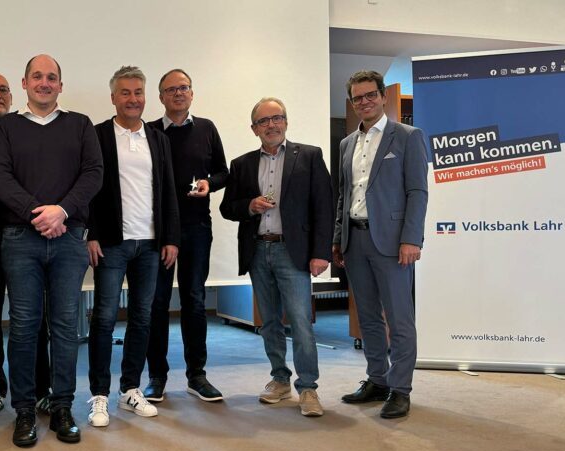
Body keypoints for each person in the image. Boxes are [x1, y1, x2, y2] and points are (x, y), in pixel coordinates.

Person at [0, 54, 103, 447]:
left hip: (69, 237)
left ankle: (63, 406)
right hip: (21, 239)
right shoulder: (6, 127)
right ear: (24, 83)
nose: (44, 82)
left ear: (60, 85)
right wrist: (38, 213)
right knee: (23, 326)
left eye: (51, 77)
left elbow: (93, 174)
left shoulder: (80, 124)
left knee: (66, 326)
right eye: (37, 76)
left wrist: (62, 211)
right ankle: (23, 410)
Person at [220, 97, 334, 417]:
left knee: (300, 321)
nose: (271, 125)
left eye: (277, 118)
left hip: (292, 251)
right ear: (254, 128)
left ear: (286, 121)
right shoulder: (242, 164)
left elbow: (324, 206)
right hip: (258, 250)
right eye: (264, 121)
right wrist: (249, 206)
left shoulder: (309, 156)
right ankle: (280, 378)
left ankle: (308, 387)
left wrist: (321, 253)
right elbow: (228, 208)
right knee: (269, 321)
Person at [86, 66, 179, 427]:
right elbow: (90, 189)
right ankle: (99, 394)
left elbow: (168, 190)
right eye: (125, 92)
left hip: (151, 244)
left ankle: (129, 389)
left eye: (138, 92)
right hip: (112, 242)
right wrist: (92, 233)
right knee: (105, 318)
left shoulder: (158, 138)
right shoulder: (97, 135)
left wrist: (170, 238)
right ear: (113, 97)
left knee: (143, 317)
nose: (132, 99)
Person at [334, 70, 428, 419]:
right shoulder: (347, 143)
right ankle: (378, 379)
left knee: (399, 319)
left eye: (370, 95)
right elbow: (344, 194)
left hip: (392, 243)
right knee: (368, 317)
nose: (364, 102)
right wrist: (337, 238)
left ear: (383, 96)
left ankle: (400, 389)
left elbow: (417, 191)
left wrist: (411, 238)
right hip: (355, 241)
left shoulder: (407, 136)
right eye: (357, 98)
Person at [0, 73, 55, 421]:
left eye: (2, 90)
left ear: (12, 94)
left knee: (35, 316)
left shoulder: (26, 130)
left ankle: (41, 389)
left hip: (25, 232)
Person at [145, 69, 229, 403]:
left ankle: (197, 375)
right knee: (157, 302)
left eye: (184, 88)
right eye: (171, 89)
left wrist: (210, 183)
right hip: (158, 229)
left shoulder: (207, 128)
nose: (178, 93)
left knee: (194, 299)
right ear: (161, 97)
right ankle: (157, 376)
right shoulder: (150, 131)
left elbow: (223, 172)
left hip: (196, 227)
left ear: (192, 93)